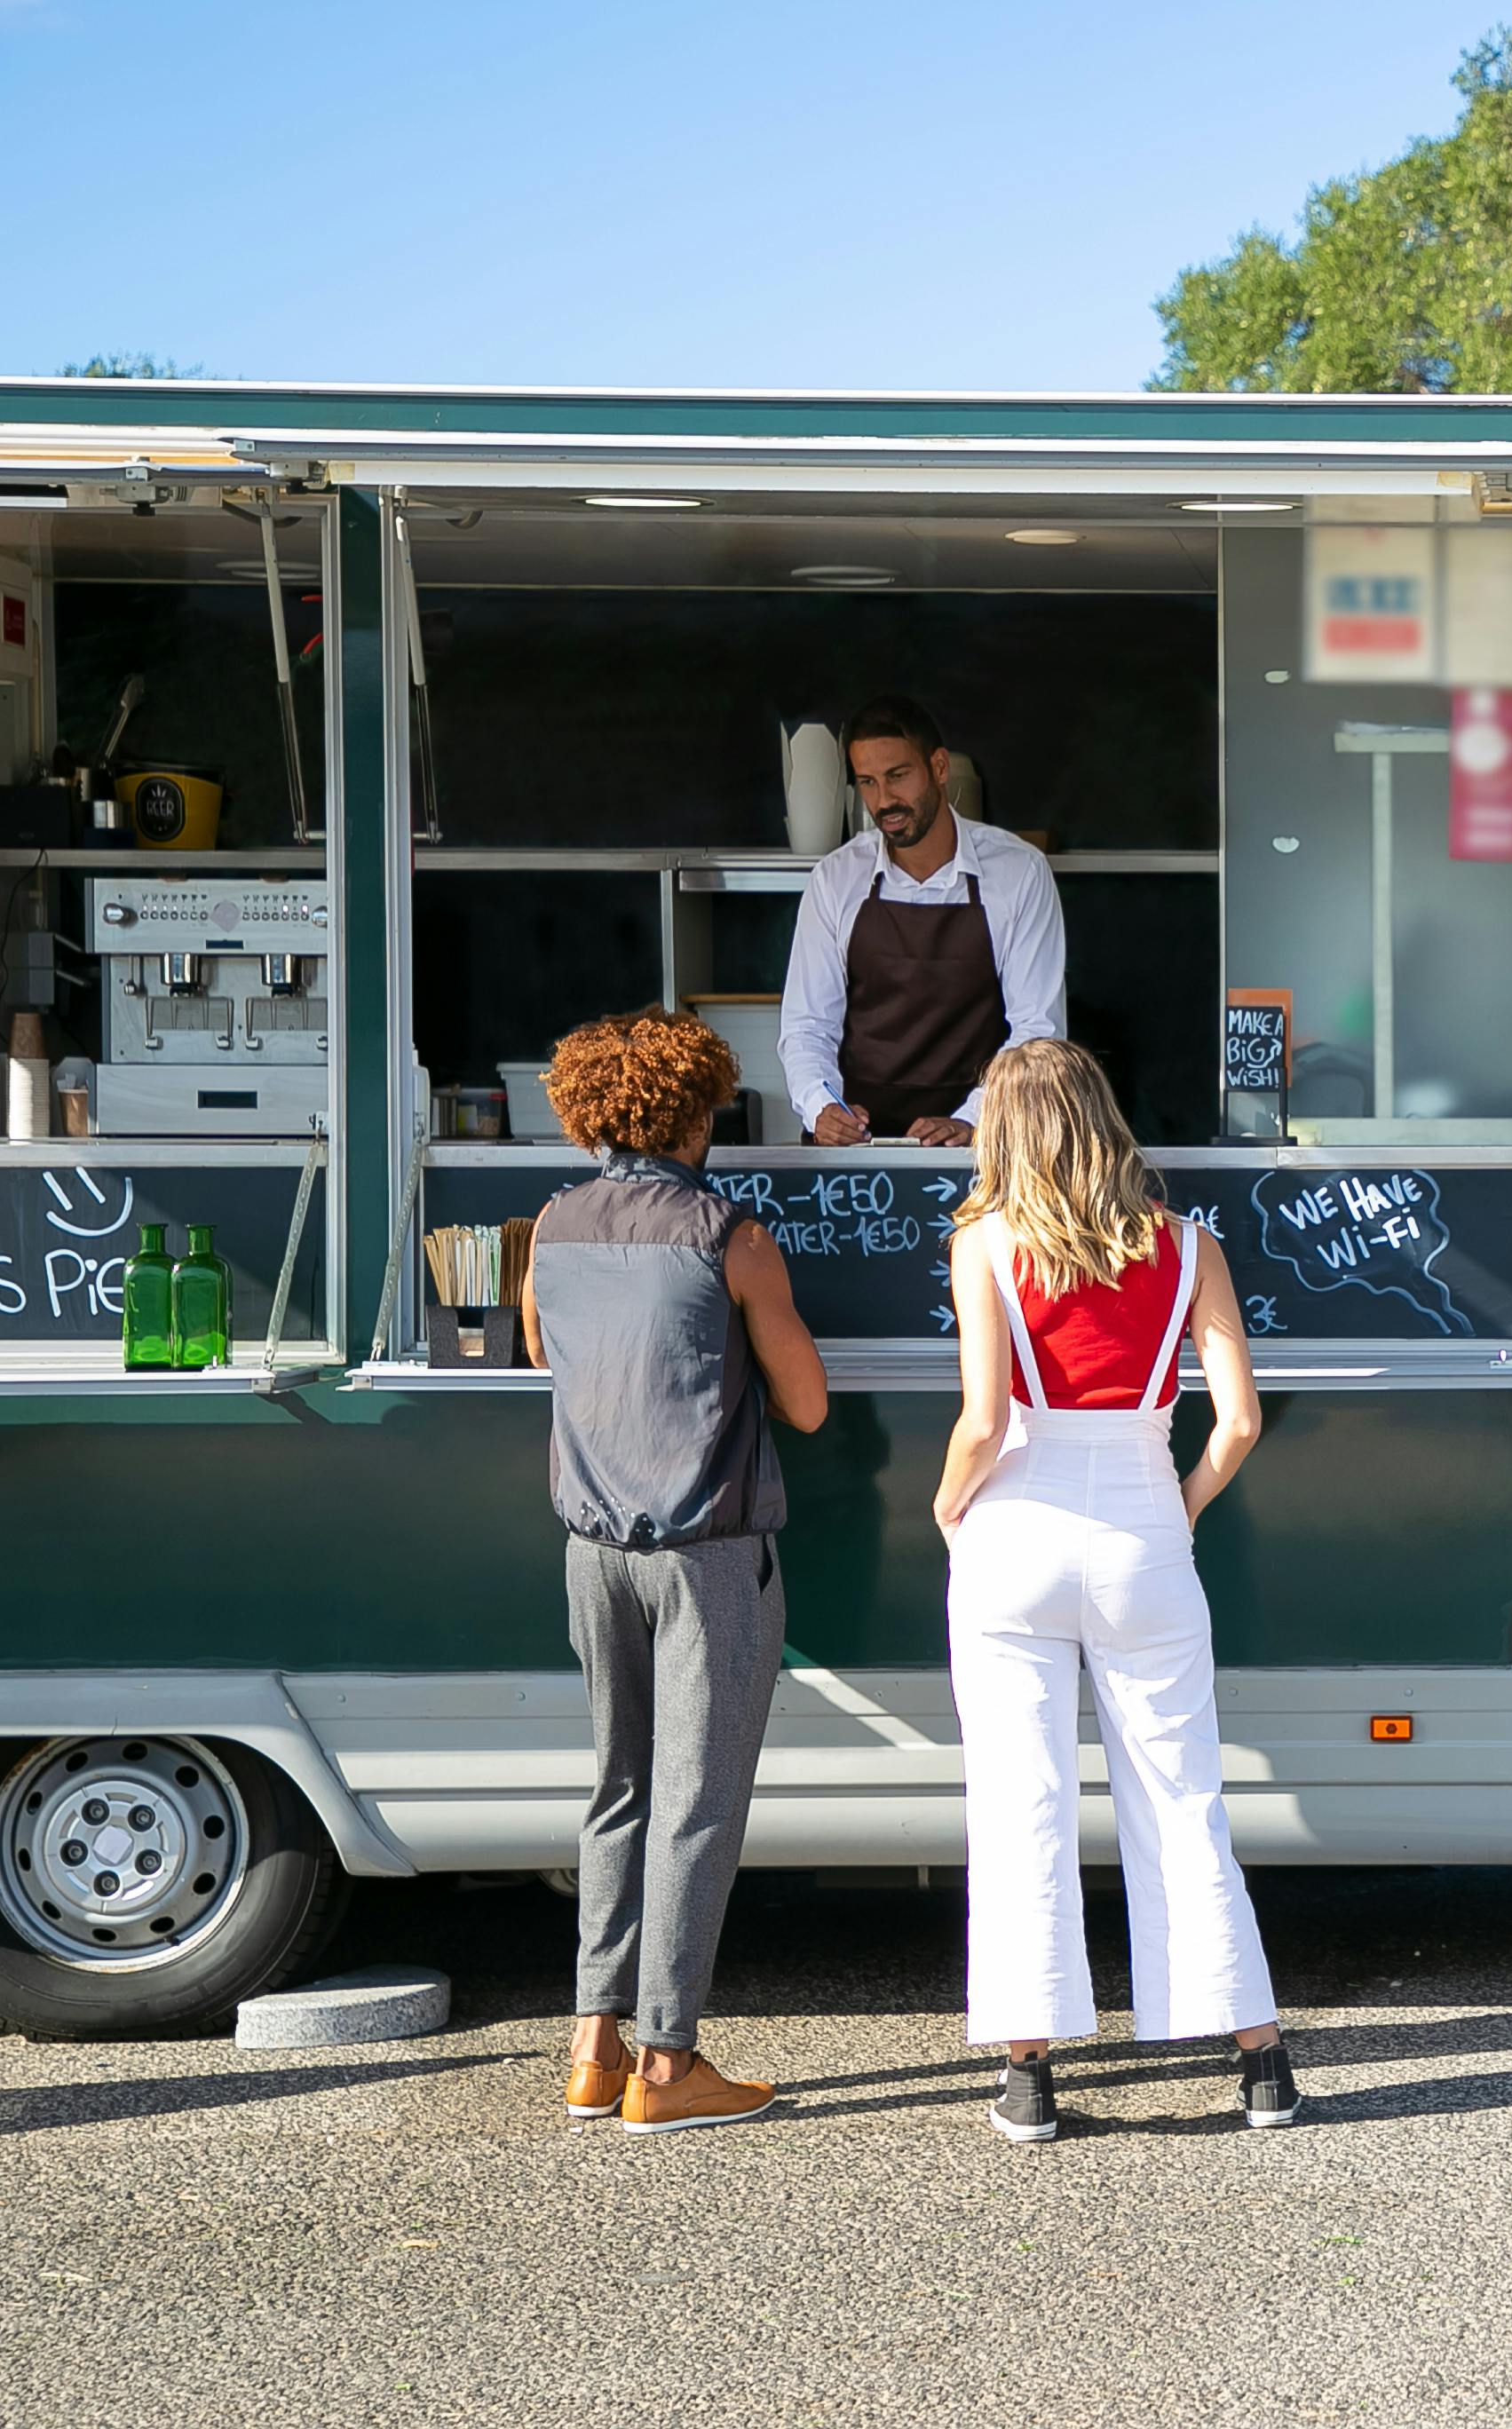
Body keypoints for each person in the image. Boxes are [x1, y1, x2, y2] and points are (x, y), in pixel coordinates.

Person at [931, 1037, 1297, 2141]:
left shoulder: (985, 1244)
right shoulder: (1192, 1249)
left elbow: (986, 1422)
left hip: (1017, 1526)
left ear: (1004, 1130)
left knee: (1021, 1801)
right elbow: (1238, 1422)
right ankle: (1260, 2062)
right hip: (1143, 1521)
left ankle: (1031, 2076)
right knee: (1182, 1792)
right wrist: (1178, 1506)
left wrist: (950, 1509)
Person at [520, 1009, 831, 2133]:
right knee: (695, 1805)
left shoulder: (551, 1227)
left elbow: (547, 1353)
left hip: (590, 1551)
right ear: (694, 1111)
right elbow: (806, 1403)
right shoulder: (728, 1236)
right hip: (706, 1556)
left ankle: (591, 2052)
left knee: (618, 1789)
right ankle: (669, 2067)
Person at [778, 693, 1066, 1149]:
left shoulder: (1019, 873)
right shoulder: (835, 879)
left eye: (898, 776)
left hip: (980, 1146)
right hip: (860, 1152)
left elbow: (1038, 1032)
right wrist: (822, 1106)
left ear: (939, 767)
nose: (884, 800)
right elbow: (808, 1026)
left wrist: (975, 1118)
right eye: (868, 782)